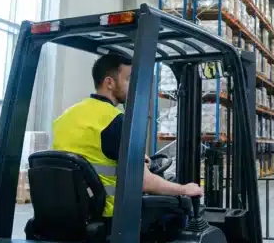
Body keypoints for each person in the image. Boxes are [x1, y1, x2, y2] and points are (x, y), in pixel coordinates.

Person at [52, 53, 203, 219]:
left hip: (72, 214)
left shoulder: (66, 116)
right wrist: (184, 189)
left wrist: (139, 159)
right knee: (180, 212)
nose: (132, 86)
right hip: (109, 217)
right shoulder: (114, 120)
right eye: (128, 79)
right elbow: (145, 182)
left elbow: (92, 153)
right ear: (109, 83)